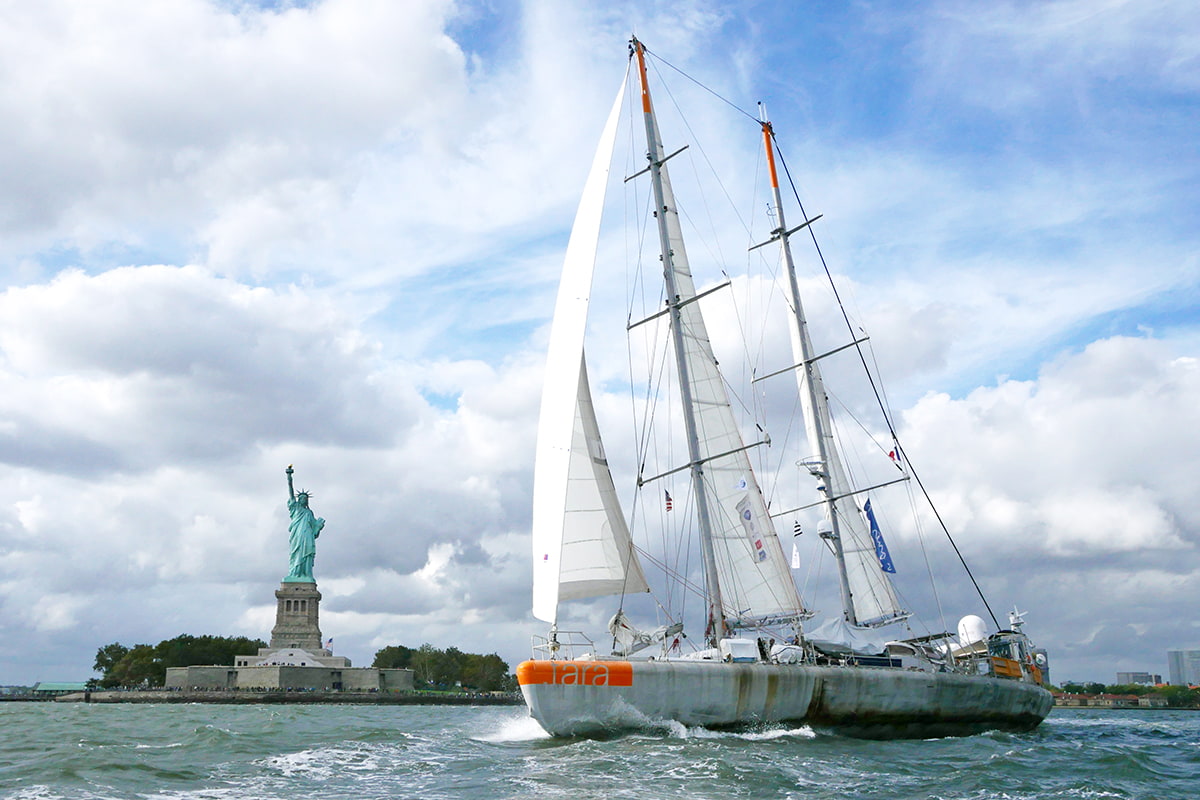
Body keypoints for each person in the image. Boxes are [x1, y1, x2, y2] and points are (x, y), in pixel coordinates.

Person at [285, 465, 324, 581]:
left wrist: (319, 526)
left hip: (307, 536)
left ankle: (306, 574)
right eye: (301, 498)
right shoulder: (295, 508)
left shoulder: (309, 513)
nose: (303, 500)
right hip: (297, 535)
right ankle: (294, 574)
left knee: (307, 554)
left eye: (305, 499)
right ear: (298, 500)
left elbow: (314, 530)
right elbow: (291, 491)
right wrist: (289, 477)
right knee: (296, 554)